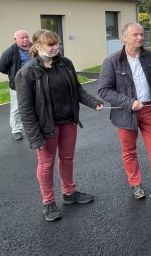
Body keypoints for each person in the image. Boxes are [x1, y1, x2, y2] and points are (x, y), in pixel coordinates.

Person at [15, 30, 103, 222]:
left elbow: (78, 89)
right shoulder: (27, 73)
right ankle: (48, 203)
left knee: (67, 158)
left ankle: (69, 194)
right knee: (46, 165)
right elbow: (26, 110)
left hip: (68, 121)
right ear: (38, 47)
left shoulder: (65, 64)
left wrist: (93, 102)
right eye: (50, 44)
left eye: (57, 44)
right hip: (46, 127)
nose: (56, 47)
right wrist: (34, 137)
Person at [98, 22, 151, 199]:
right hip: (126, 113)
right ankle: (135, 184)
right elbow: (103, 90)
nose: (140, 38)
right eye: (135, 35)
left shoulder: (149, 56)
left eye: (142, 34)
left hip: (149, 108)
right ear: (124, 37)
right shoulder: (112, 61)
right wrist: (128, 101)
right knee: (129, 151)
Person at [0, 29, 31, 140]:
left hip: (34, 82)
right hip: (18, 84)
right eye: (22, 38)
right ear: (15, 39)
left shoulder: (34, 47)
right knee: (17, 107)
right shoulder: (10, 52)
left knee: (37, 104)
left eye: (26, 37)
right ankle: (16, 130)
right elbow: (2, 67)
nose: (25, 39)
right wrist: (14, 74)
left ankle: (37, 127)